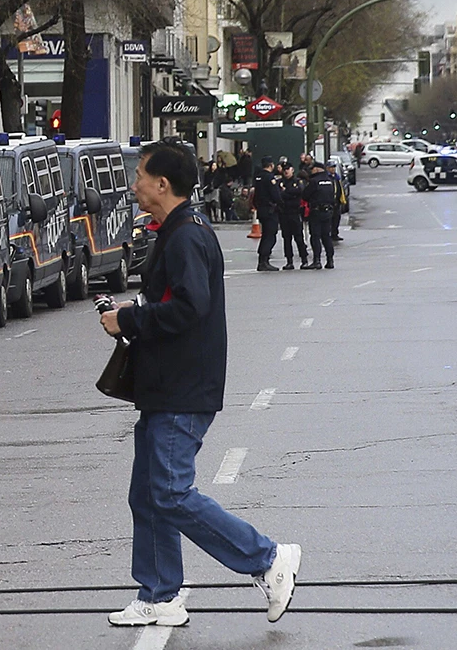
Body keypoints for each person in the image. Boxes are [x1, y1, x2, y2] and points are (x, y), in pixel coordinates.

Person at [99, 139, 301, 628]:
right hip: (167, 383)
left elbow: (191, 306)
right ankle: (160, 595)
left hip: (182, 386)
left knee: (169, 492)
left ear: (162, 184)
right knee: (148, 494)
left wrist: (129, 319)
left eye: (140, 175)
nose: (134, 184)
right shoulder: (177, 229)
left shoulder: (187, 234)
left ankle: (268, 560)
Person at [302, 161, 336, 269]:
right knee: (326, 236)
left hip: (316, 211)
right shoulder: (330, 180)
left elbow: (305, 195)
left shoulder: (314, 181)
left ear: (317, 169)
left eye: (312, 169)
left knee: (315, 236)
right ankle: (330, 260)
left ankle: (317, 260)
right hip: (328, 211)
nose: (311, 171)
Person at [251, 156, 282, 271]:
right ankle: (264, 260)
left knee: (265, 235)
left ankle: (262, 259)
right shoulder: (269, 178)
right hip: (270, 210)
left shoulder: (258, 177)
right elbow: (275, 195)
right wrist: (280, 203)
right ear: (271, 165)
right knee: (270, 236)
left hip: (261, 209)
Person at [278, 163, 308, 269]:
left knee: (299, 238)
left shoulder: (297, 181)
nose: (286, 171)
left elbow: (299, 191)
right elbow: (278, 194)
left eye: (288, 169)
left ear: (292, 170)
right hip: (284, 214)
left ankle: (304, 259)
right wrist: (289, 194)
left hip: (295, 213)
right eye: (284, 169)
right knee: (286, 239)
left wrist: (286, 192)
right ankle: (289, 261)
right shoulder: (280, 182)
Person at [326, 159, 346, 242]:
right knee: (329, 219)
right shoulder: (327, 178)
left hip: (336, 202)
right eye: (331, 167)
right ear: (327, 168)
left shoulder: (337, 177)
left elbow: (340, 189)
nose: (333, 169)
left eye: (334, 167)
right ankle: (328, 234)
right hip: (329, 202)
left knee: (336, 218)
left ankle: (335, 234)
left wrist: (341, 199)